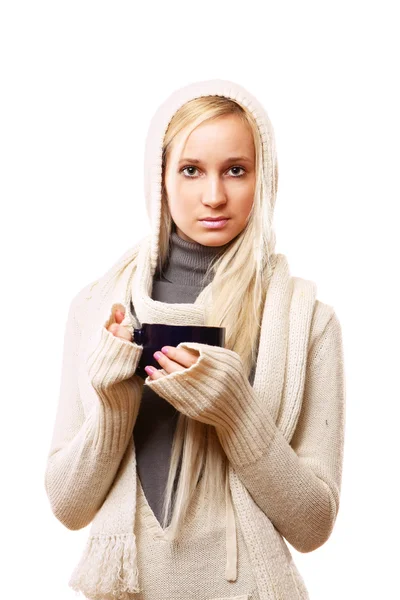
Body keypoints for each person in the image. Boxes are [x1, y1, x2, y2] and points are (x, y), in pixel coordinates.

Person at [44, 78, 346, 600]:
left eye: (236, 170)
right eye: (190, 170)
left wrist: (237, 414)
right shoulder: (97, 310)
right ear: (158, 178)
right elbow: (69, 507)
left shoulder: (306, 320)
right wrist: (115, 407)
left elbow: (313, 526)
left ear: (264, 177)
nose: (214, 195)